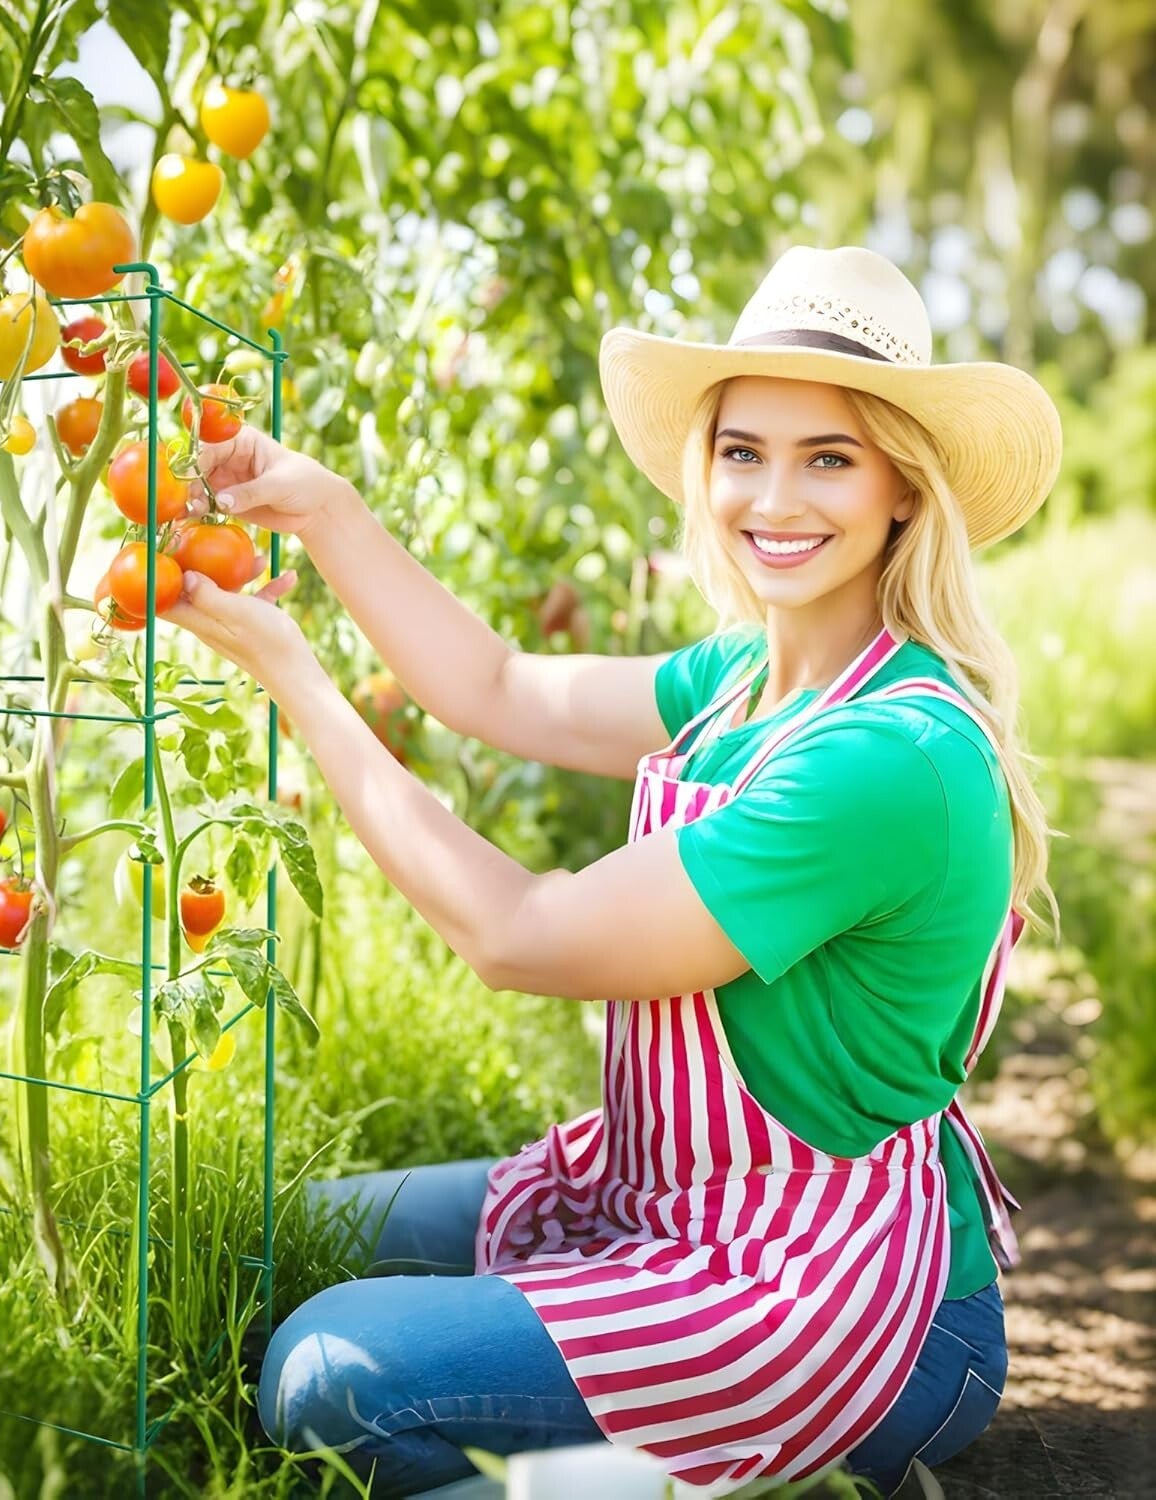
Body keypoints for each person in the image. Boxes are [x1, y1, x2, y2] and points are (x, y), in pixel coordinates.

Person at [162, 244, 1063, 1499]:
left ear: (904, 488)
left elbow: (520, 934)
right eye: (744, 451)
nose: (775, 498)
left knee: (329, 1373)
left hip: (841, 1300)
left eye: (829, 459)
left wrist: (295, 680)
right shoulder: (748, 681)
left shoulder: (887, 760)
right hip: (670, 1200)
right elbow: (495, 687)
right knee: (282, 1237)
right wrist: (323, 510)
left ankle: (783, 1474)